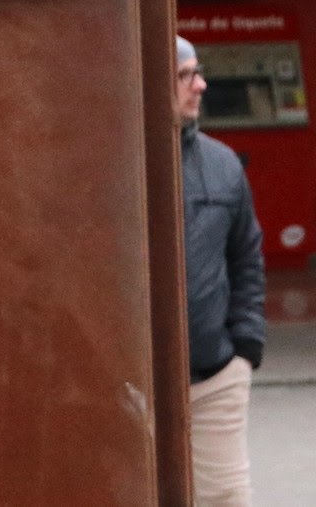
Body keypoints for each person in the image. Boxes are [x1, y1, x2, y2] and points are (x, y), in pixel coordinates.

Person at [176, 35, 267, 506]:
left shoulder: (223, 164)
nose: (201, 85)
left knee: (226, 500)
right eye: (186, 75)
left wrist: (244, 349)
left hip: (214, 379)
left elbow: (246, 257)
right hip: (129, 389)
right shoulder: (109, 165)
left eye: (199, 71)